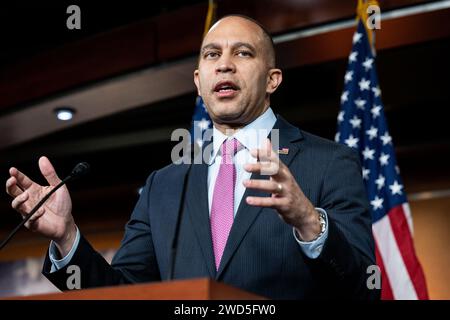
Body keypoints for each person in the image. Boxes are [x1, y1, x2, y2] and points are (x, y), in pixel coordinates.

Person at [5, 15, 379, 299]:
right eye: (213, 54)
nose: (225, 64)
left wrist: (309, 222)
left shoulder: (330, 162)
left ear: (272, 80)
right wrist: (68, 237)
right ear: (199, 81)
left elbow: (366, 287)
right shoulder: (164, 185)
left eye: (243, 53)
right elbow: (123, 292)